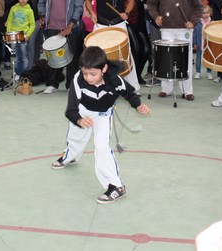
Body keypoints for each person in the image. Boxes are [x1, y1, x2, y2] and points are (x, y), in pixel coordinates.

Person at [50, 46, 150, 204]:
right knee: (75, 137)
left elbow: (129, 93)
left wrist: (138, 105)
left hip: (103, 114)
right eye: (85, 73)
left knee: (101, 146)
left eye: (93, 74)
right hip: (82, 111)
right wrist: (79, 119)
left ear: (104, 68)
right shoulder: (78, 80)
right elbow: (70, 109)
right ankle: (70, 157)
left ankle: (116, 186)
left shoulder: (115, 80)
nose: (88, 78)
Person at [147, 0, 203, 100]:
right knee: (167, 59)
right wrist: (156, 17)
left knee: (186, 59)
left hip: (185, 29)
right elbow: (151, 4)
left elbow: (199, 6)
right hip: (166, 28)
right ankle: (167, 89)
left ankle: (187, 91)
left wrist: (193, 21)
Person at [85, 0, 141, 91]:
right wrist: (92, 12)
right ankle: (97, 85)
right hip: (100, 24)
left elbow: (131, 0)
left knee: (126, 55)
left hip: (119, 24)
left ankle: (133, 88)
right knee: (96, 57)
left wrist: (126, 13)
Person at [38, 0, 84, 93]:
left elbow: (78, 8)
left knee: (71, 58)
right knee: (53, 57)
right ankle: (52, 84)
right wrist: (42, 15)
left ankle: (71, 84)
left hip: (69, 28)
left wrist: (70, 26)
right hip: (52, 26)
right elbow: (41, 1)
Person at [124, 0, 149, 84]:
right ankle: (132, 77)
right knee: (137, 50)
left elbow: (138, 8)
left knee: (146, 50)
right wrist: (140, 0)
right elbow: (129, 9)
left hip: (139, 26)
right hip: (129, 25)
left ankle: (137, 74)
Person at [6, 0, 35, 80]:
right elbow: (9, 21)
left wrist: (28, 35)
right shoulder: (13, 8)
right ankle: (17, 72)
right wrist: (8, 32)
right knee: (15, 56)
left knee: (23, 56)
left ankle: (24, 73)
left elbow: (33, 25)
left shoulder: (29, 11)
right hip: (13, 35)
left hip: (23, 35)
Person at [194, 5, 214, 80]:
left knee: (209, 59)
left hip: (208, 44)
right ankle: (198, 72)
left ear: (210, 13)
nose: (205, 14)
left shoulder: (212, 23)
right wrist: (195, 43)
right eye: (203, 13)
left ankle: (209, 72)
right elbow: (195, 33)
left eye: (207, 13)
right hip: (199, 44)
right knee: (198, 58)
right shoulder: (198, 23)